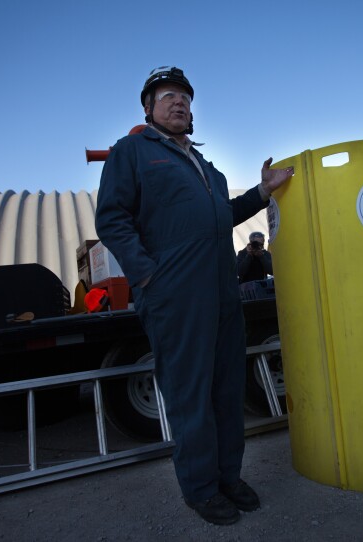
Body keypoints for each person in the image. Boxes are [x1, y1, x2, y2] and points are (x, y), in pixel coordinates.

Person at [94, 66, 294, 525]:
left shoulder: (209, 169)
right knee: (191, 398)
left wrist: (262, 191)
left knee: (226, 392)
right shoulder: (133, 152)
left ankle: (228, 477)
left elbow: (222, 217)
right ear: (148, 108)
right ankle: (201, 489)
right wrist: (150, 277)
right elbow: (112, 219)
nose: (178, 103)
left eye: (184, 97)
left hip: (223, 295)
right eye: (167, 96)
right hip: (174, 297)